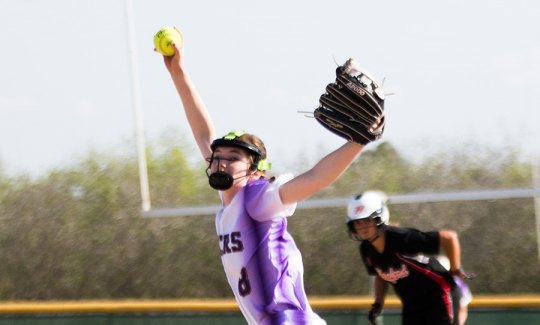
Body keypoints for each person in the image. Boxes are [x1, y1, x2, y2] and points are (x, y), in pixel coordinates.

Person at [160, 33, 381, 325]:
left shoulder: (258, 198)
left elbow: (316, 178)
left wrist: (357, 142)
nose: (221, 161)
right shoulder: (231, 201)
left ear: (255, 171)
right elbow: (203, 133)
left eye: (233, 157)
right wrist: (178, 72)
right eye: (218, 155)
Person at [345, 191, 474, 325]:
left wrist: (455, 269)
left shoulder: (403, 239)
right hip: (412, 305)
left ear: (379, 218)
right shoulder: (366, 249)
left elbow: (449, 237)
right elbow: (380, 276)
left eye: (367, 220)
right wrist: (378, 303)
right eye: (357, 222)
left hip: (439, 296)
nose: (363, 227)